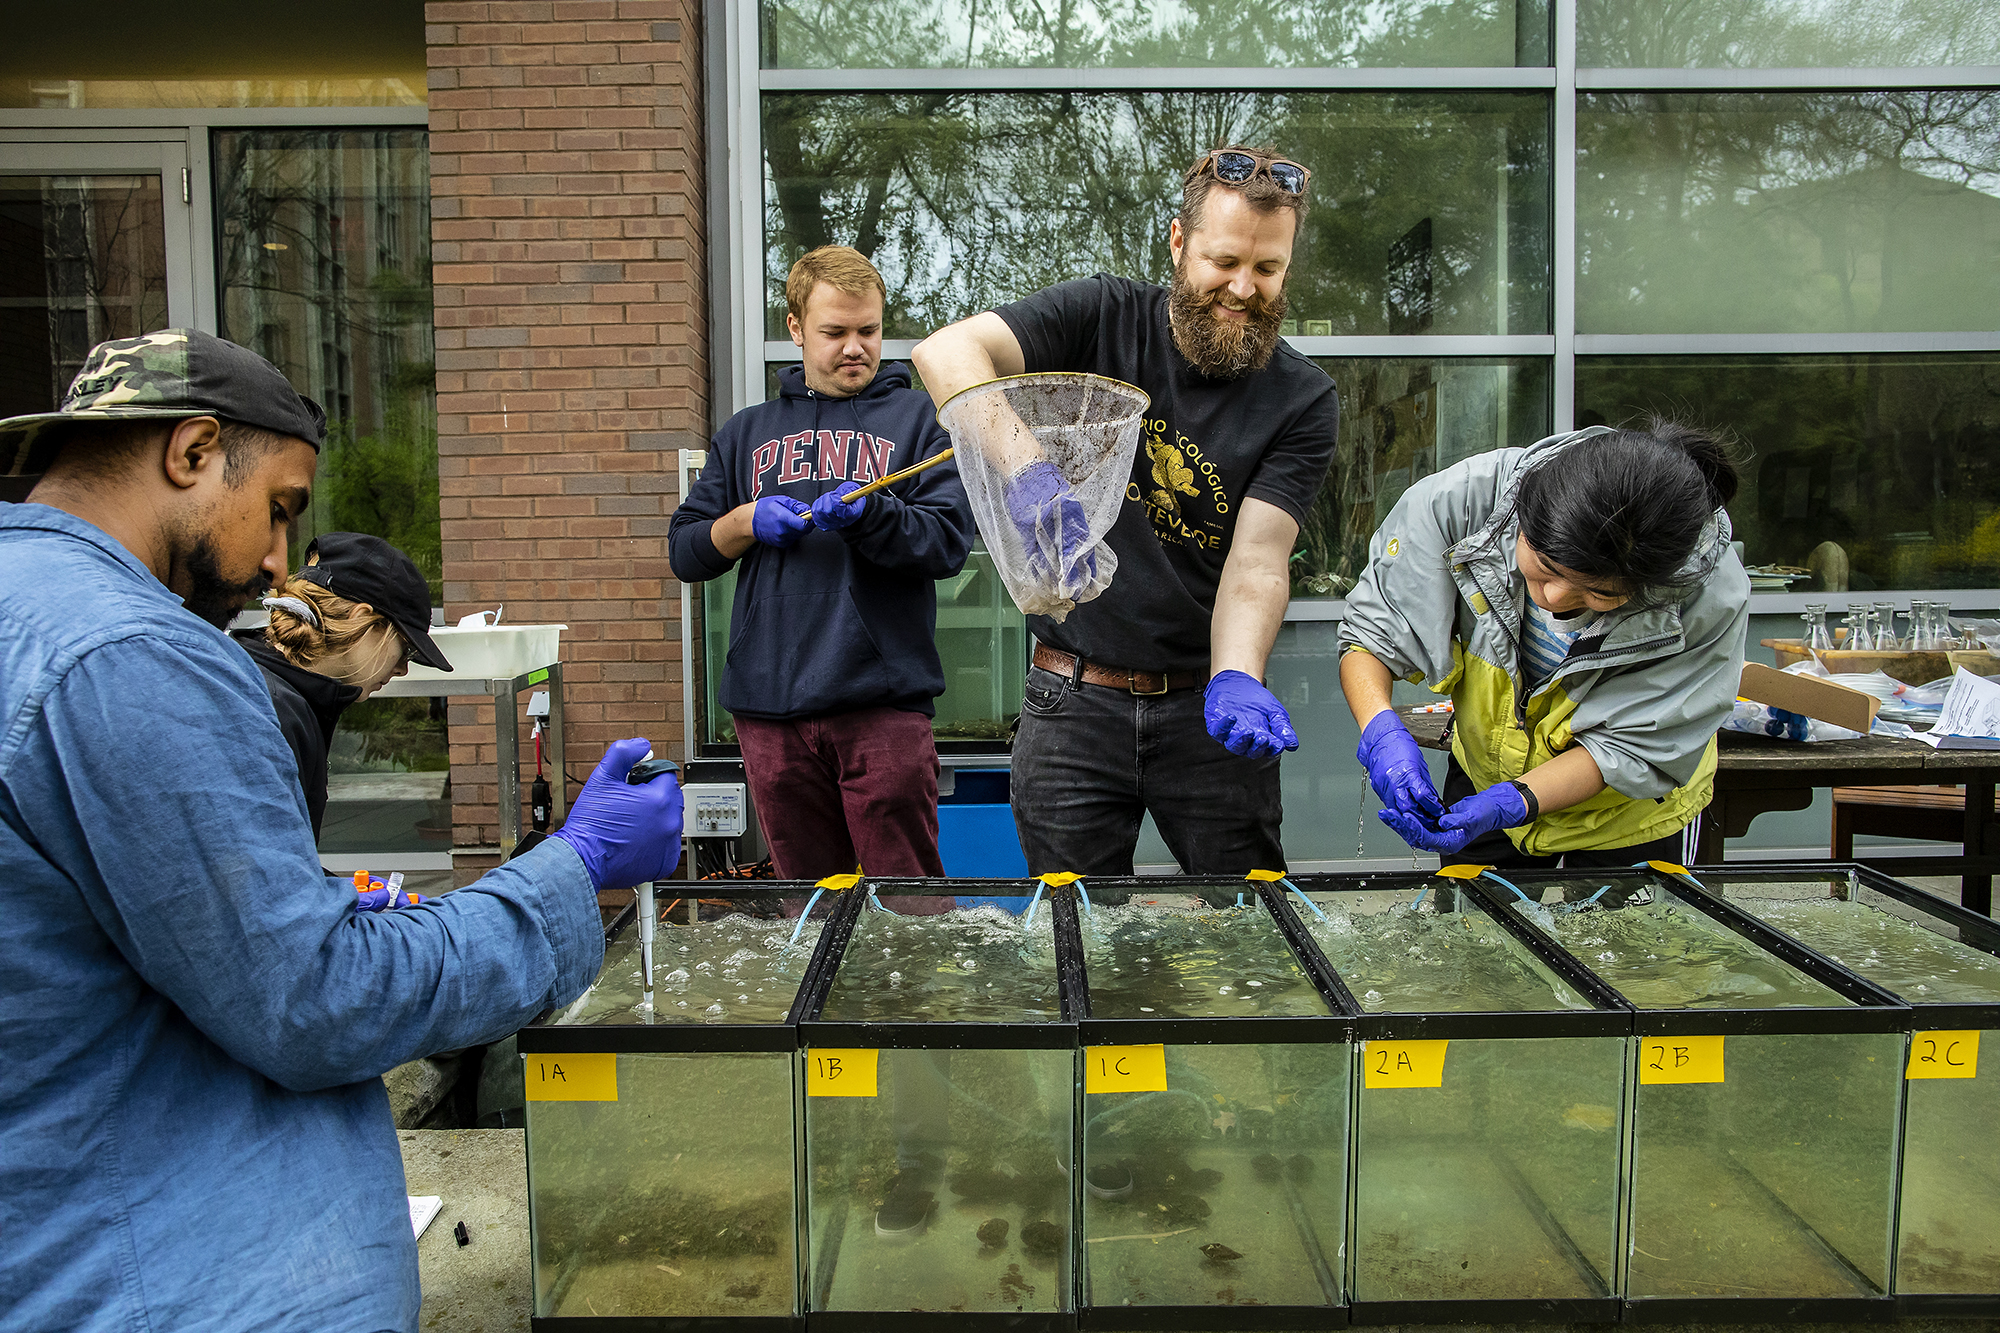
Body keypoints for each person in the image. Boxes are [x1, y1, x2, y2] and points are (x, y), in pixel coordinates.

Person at [0, 329, 682, 1332]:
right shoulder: (131, 654)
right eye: (278, 508)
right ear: (190, 452)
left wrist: (316, 906)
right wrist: (570, 871)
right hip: (163, 1281)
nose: (278, 561)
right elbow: (313, 997)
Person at [912, 145, 1339, 876]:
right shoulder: (1101, 316)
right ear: (1178, 242)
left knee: (1247, 937)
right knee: (1075, 942)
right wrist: (1030, 472)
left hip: (1205, 710)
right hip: (1072, 699)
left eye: (1268, 270)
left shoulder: (1302, 398)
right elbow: (946, 352)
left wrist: (1240, 674)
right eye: (1224, 261)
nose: (1244, 288)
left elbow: (1258, 561)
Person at [669, 246, 973, 880]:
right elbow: (686, 551)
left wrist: (871, 516)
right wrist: (746, 520)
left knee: (909, 907)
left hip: (883, 705)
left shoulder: (923, 423)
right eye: (834, 332)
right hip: (768, 708)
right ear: (795, 329)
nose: (855, 347)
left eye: (869, 330)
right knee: (806, 905)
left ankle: (904, 985)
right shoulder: (746, 431)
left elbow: (946, 544)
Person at [1339, 420, 1751, 868]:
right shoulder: (1462, 502)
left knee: (1622, 937)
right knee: (1474, 930)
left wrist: (1516, 800)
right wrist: (1381, 730)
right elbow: (1373, 630)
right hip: (1484, 766)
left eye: (1600, 593)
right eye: (1545, 566)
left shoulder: (1708, 593)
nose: (1553, 598)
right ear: (1521, 515)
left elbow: (1632, 749)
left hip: (1628, 809)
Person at [236, 531, 454, 838]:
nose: (403, 669)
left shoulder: (283, 693)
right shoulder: (271, 710)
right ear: (362, 618)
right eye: (404, 648)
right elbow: (256, 875)